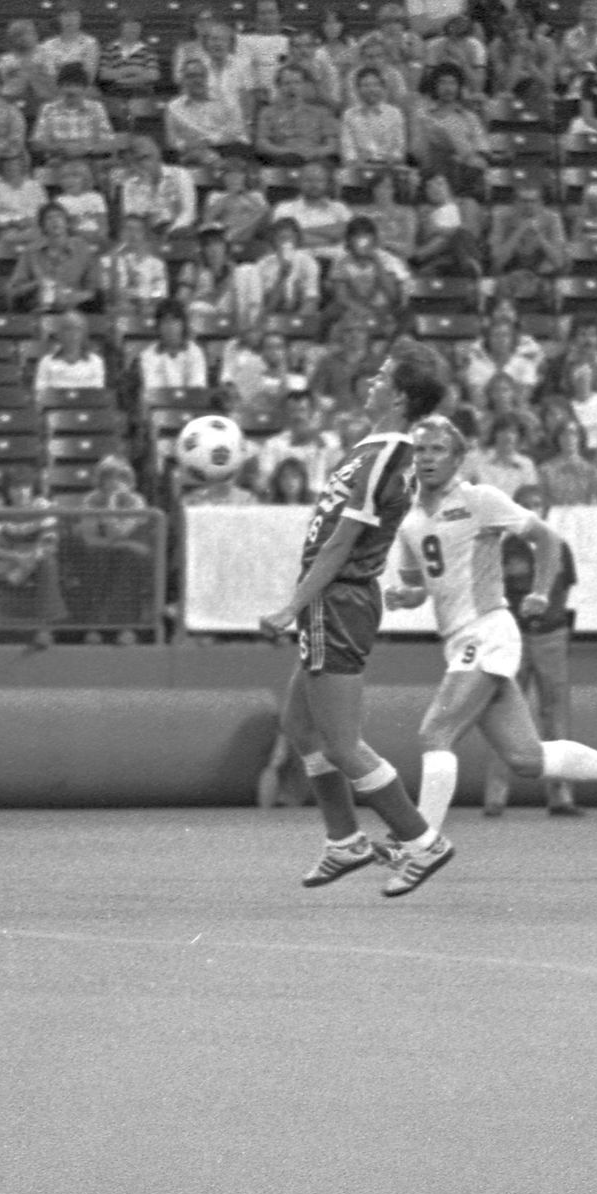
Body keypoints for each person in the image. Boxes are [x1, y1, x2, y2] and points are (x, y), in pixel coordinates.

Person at [388, 417, 597, 846]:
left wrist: (540, 590)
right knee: (525, 758)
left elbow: (547, 538)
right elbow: (421, 585)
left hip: (487, 630)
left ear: (458, 458)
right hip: (459, 640)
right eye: (420, 449)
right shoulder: (408, 519)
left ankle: (419, 843)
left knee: (436, 731)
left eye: (437, 449)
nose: (426, 457)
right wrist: (405, 596)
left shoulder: (479, 499)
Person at [260, 340, 455, 897]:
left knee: (343, 745)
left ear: (400, 397)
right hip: (336, 600)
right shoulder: (375, 449)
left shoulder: (385, 457)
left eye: (382, 377)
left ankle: (422, 841)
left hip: (337, 601)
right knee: (300, 726)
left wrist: (292, 606)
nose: (371, 382)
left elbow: (341, 543)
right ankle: (344, 840)